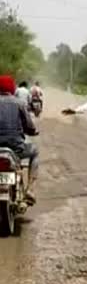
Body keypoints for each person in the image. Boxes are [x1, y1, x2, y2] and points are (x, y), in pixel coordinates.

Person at [0, 75, 39, 203]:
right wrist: (33, 131)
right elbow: (29, 126)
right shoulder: (20, 103)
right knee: (34, 151)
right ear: (12, 89)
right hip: (16, 148)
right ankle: (31, 189)